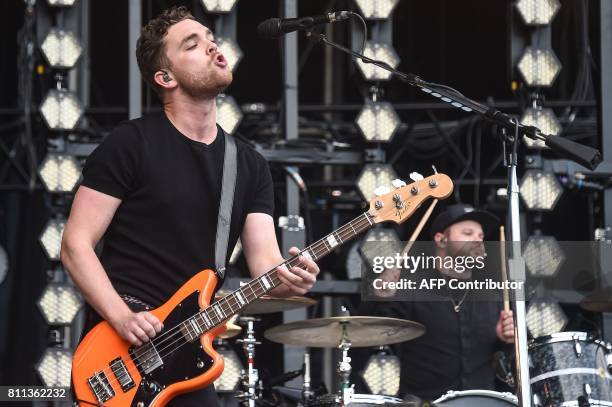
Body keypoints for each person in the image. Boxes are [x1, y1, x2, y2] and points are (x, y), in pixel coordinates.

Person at [60, 6, 320, 406]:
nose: (211, 45)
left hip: (188, 359)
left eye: (209, 38)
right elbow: (75, 245)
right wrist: (121, 316)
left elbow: (266, 268)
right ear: (165, 77)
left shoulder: (249, 165)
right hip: (120, 351)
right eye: (192, 44)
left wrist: (292, 278)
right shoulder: (129, 145)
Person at [364, 204, 514, 401]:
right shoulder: (412, 290)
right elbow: (374, 336)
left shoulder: (493, 295)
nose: (478, 240)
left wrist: (506, 342)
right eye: (468, 233)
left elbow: (510, 369)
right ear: (441, 240)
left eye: (481, 236)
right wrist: (380, 296)